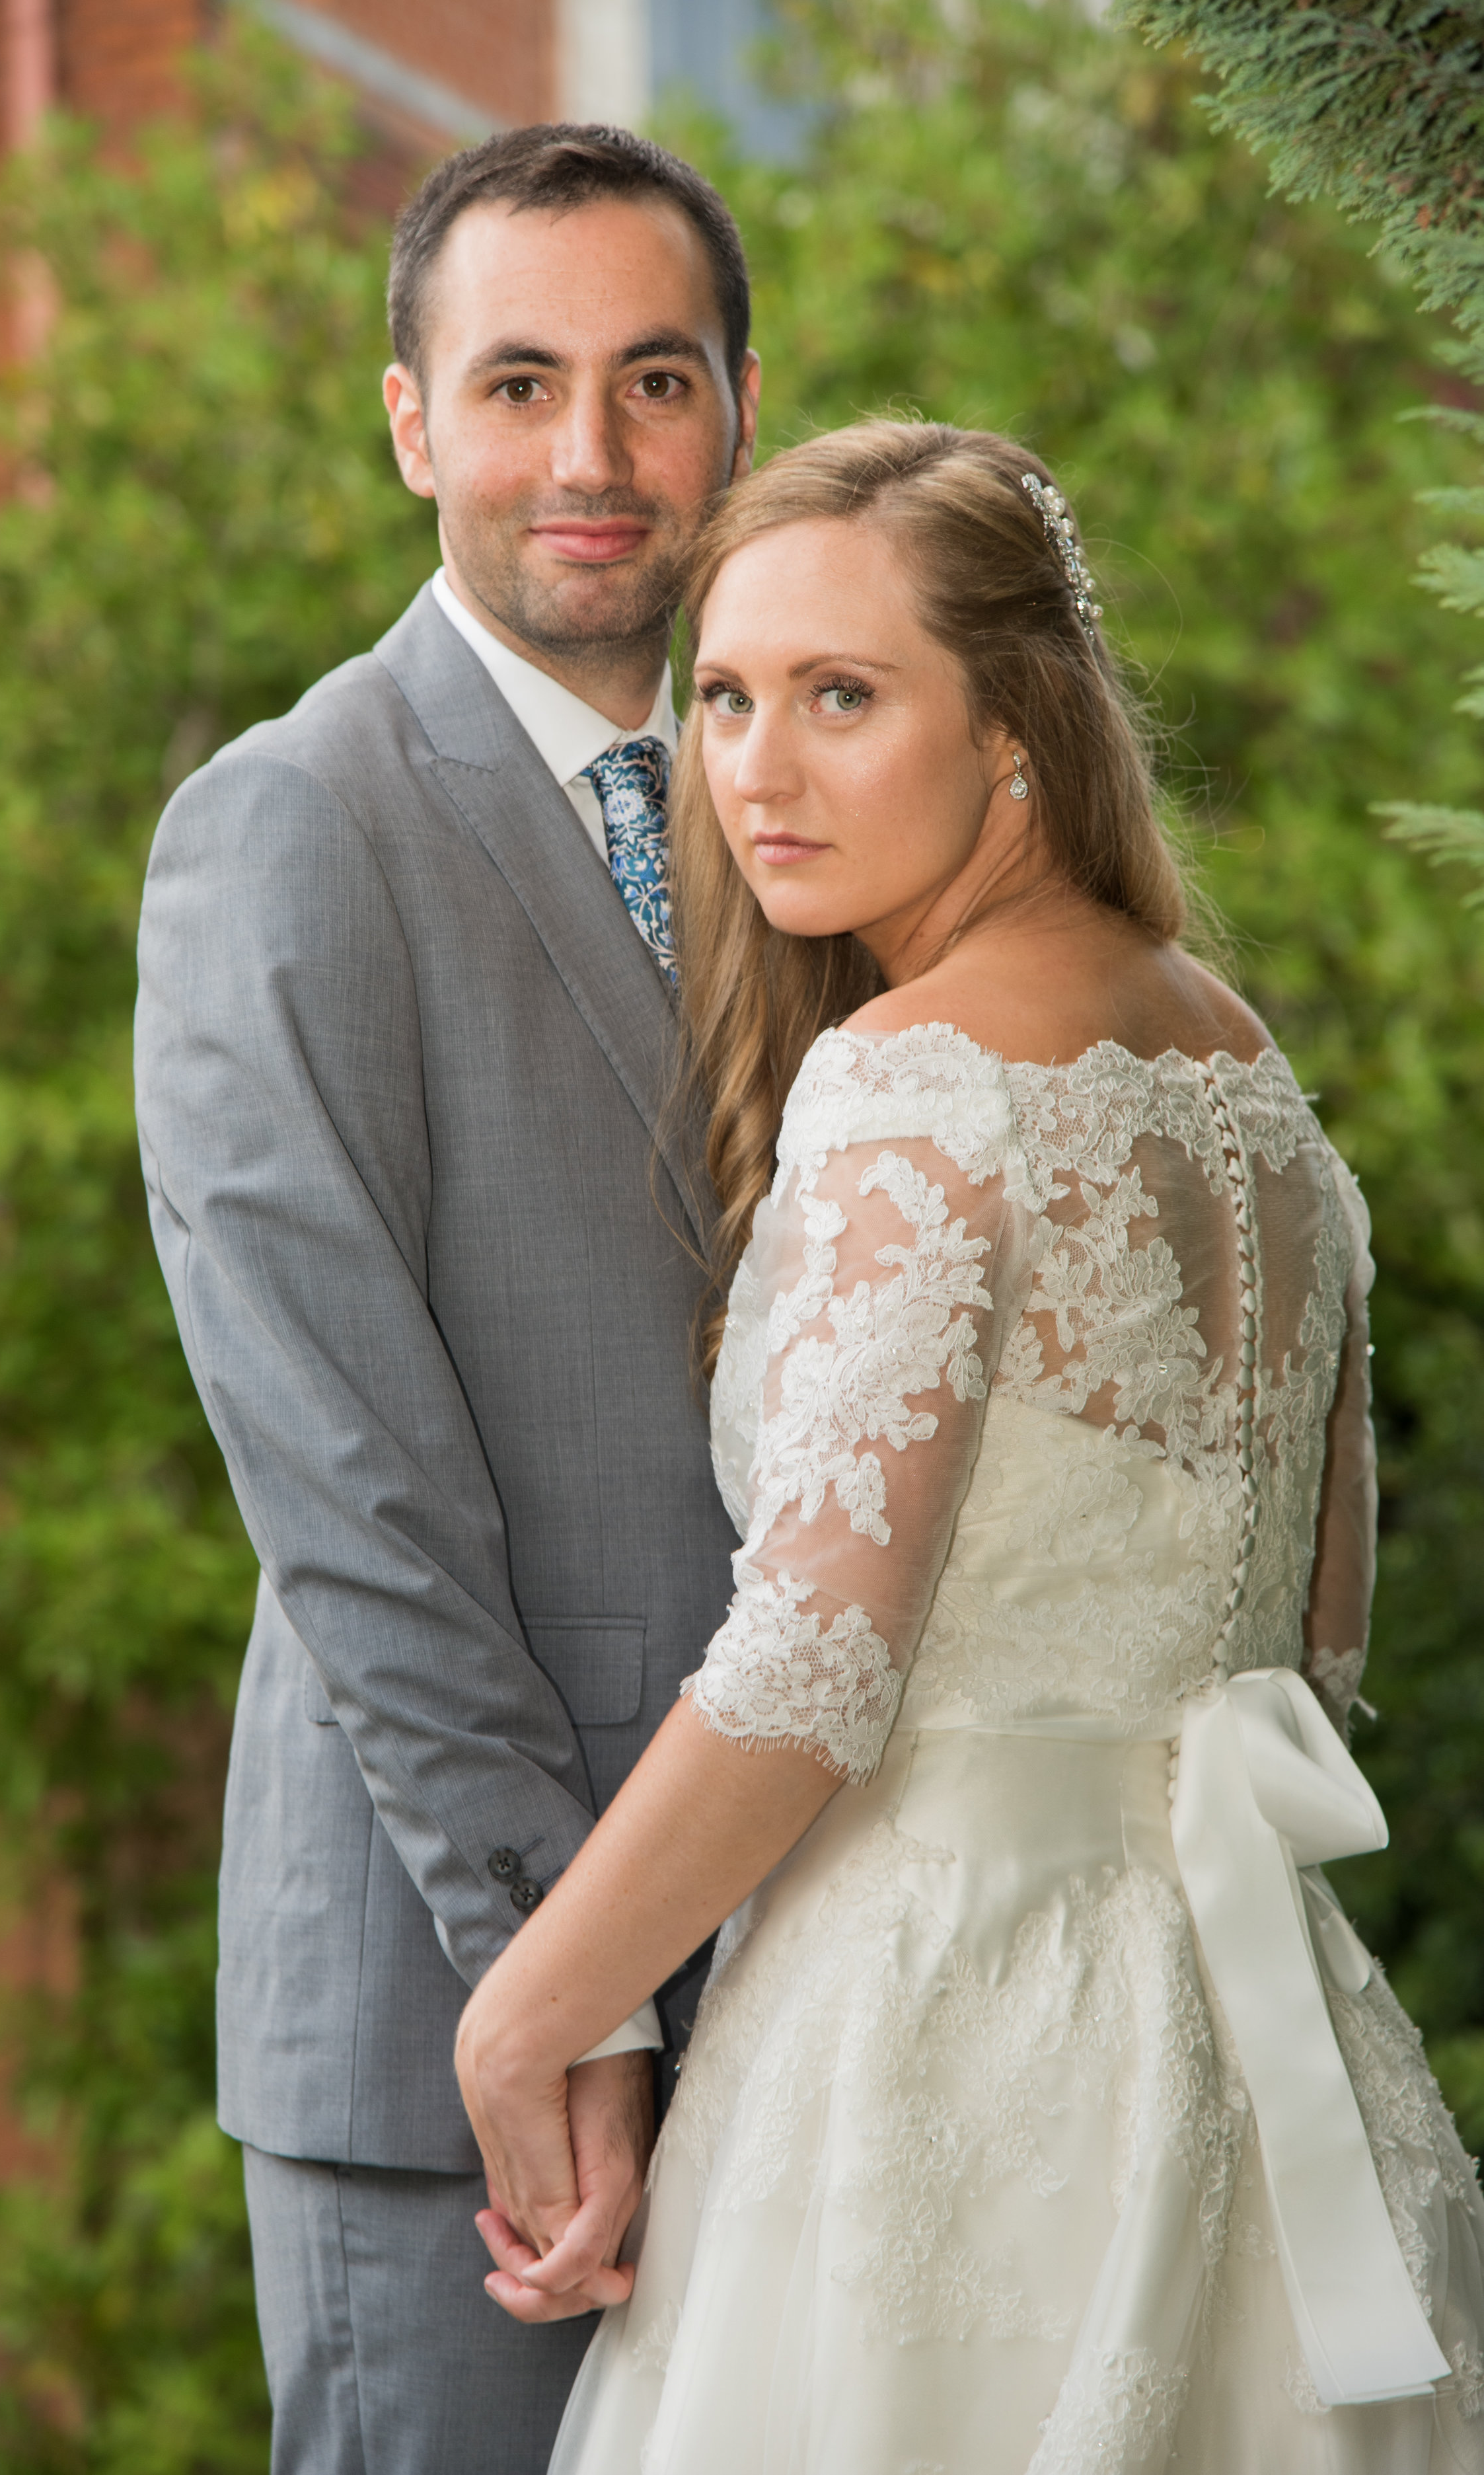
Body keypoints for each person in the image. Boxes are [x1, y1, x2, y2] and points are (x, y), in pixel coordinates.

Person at [455, 420, 1484, 2473]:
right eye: (728, 697)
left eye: (844, 696)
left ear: (1012, 727)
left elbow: (807, 1675)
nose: (756, 766)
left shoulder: (909, 1080)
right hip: (1252, 2031)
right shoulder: (1240, 1069)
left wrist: (522, 2013)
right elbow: (1319, 1638)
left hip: (939, 2042)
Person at [133, 124, 760, 2475]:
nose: (589, 458)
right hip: (466, 2013)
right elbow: (350, 1476)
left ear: (737, 409)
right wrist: (561, 1970)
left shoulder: (788, 811)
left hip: (815, 1992)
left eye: (654, 380)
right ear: (411, 421)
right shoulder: (294, 823)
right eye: (517, 384)